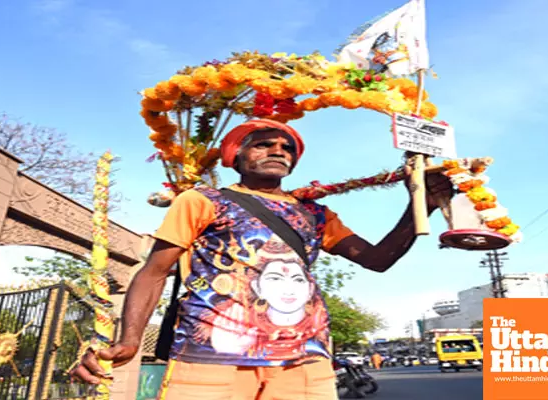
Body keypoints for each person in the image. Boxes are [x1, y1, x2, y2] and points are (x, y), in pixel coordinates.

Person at [70, 118, 453, 399]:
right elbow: (154, 272)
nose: (278, 151)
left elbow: (377, 259)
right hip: (211, 356)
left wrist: (422, 204)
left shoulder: (316, 214)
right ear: (236, 156)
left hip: (305, 359)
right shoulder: (202, 200)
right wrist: (130, 339)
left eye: (286, 148)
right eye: (263, 144)